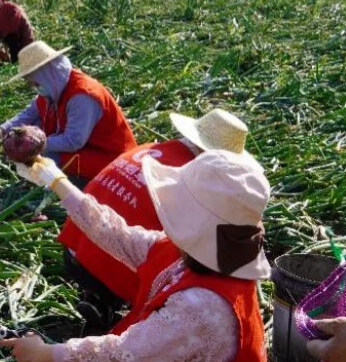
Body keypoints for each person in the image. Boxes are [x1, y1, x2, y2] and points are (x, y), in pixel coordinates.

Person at [0, 149, 270, 362]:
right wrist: (56, 180)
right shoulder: (190, 253)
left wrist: (44, 353)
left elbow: (121, 357)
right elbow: (117, 234)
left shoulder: (204, 308)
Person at [58, 108, 255, 330]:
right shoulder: (195, 182)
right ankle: (109, 299)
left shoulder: (149, 149)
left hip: (73, 249)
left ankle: (98, 296)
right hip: (111, 262)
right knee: (175, 263)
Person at [0, 41, 136, 181]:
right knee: (32, 126)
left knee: (47, 156)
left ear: (45, 74)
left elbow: (73, 141)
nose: (33, 87)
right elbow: (30, 114)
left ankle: (72, 186)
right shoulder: (53, 87)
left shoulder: (82, 96)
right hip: (86, 147)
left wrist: (32, 146)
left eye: (33, 82)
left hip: (111, 158)